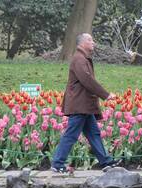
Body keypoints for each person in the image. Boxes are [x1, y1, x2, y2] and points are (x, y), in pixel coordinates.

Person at [51, 33, 119, 173]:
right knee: (71, 134)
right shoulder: (79, 59)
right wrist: (105, 95)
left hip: (84, 106)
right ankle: (57, 164)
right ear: (82, 44)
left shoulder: (83, 58)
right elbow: (87, 80)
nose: (93, 42)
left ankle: (105, 162)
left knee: (93, 133)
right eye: (90, 40)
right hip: (79, 105)